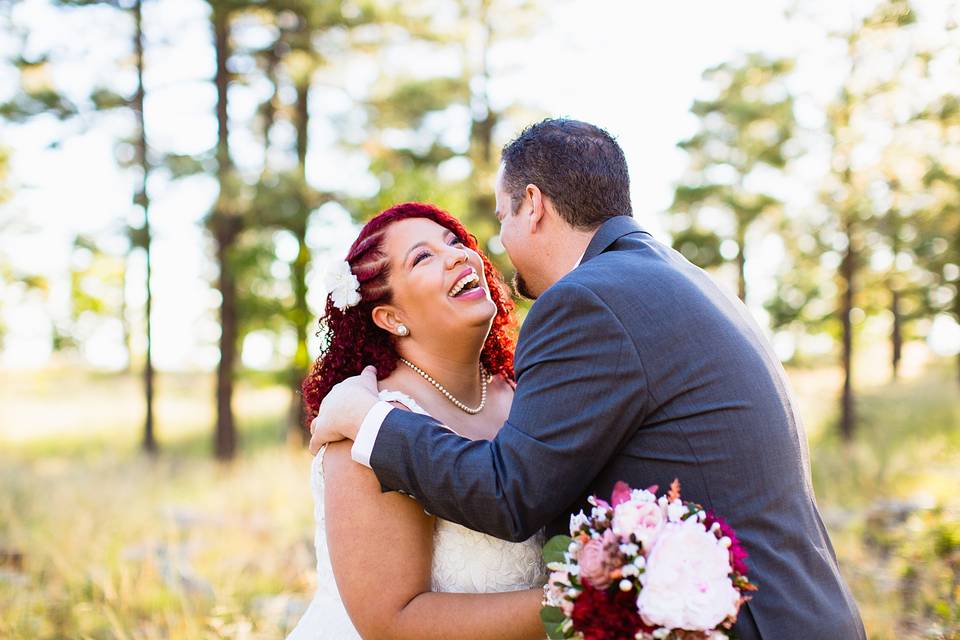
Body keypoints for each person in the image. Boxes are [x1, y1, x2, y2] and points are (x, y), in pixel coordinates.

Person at [309, 118, 867, 640]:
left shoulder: (586, 302)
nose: (488, 248)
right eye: (426, 255)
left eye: (498, 219)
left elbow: (510, 494)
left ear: (533, 206)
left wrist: (370, 422)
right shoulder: (680, 278)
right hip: (800, 610)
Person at [287, 202, 547, 639]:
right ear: (391, 318)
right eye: (423, 257)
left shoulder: (527, 391)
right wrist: (575, 604)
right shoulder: (366, 422)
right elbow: (394, 623)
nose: (458, 255)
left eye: (454, 242)